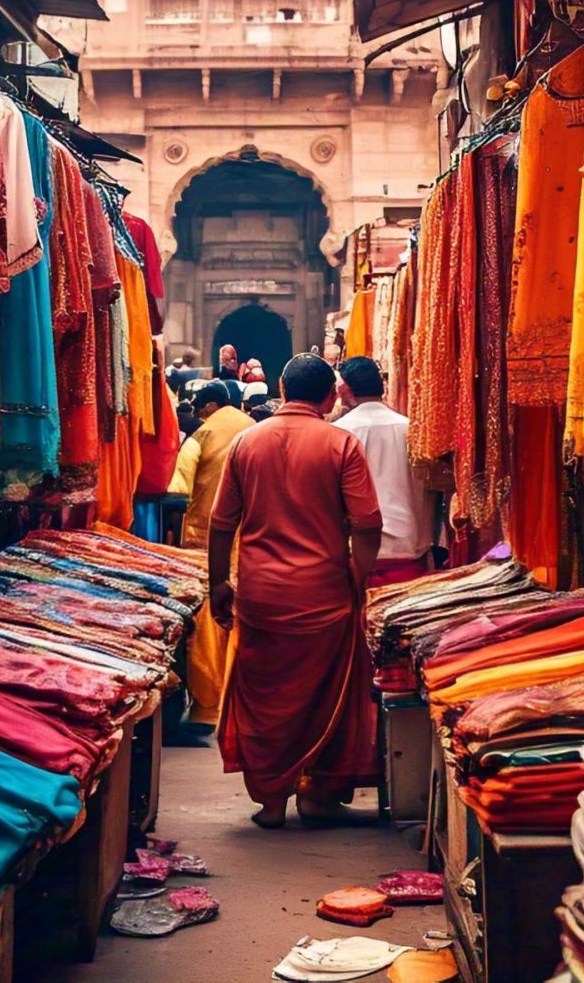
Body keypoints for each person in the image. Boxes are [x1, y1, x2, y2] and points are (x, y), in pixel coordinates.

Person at [209, 353, 383, 828]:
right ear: (330, 397)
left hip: (261, 594)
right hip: (323, 592)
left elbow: (222, 523)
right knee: (326, 693)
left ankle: (271, 802)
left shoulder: (248, 441)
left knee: (267, 695)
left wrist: (218, 583)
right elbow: (367, 523)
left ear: (281, 389)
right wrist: (356, 574)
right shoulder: (340, 443)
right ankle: (316, 793)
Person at [175, 381, 254, 726]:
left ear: (208, 407)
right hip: (250, 538)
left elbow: (176, 489)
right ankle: (242, 702)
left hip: (204, 540)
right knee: (245, 617)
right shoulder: (255, 430)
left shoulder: (201, 436)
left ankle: (208, 708)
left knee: (208, 622)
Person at [334, 356, 437, 588]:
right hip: (411, 552)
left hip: (357, 557)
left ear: (345, 389)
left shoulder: (337, 433)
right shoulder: (411, 428)